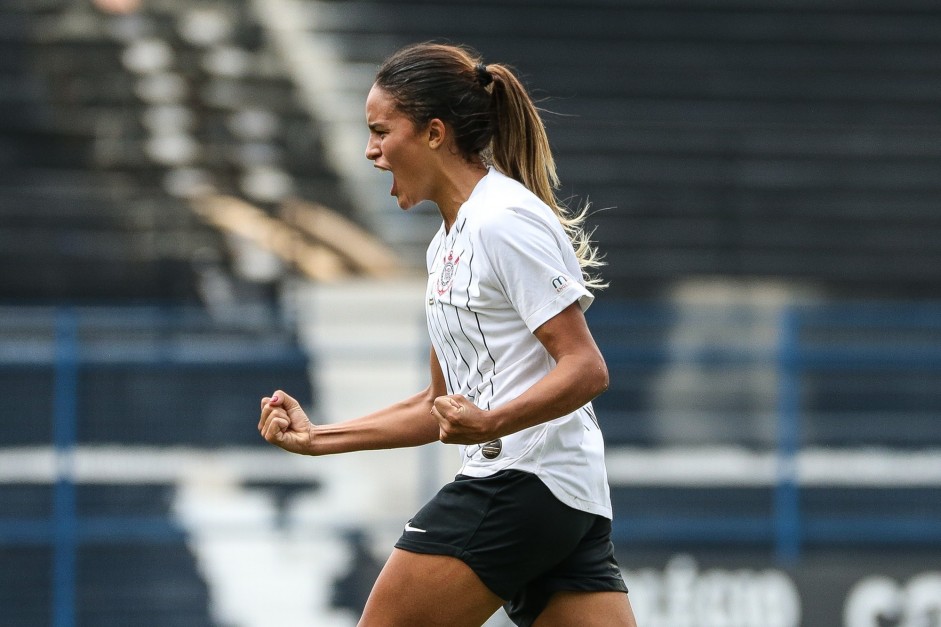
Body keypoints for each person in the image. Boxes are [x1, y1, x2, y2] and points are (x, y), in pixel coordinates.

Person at [258, 41, 638, 627]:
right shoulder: (447, 244)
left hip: (519, 481)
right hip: (562, 494)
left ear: (434, 133)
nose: (370, 151)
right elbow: (435, 407)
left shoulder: (503, 221)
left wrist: (490, 424)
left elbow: (586, 368)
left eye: (382, 132)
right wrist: (318, 439)